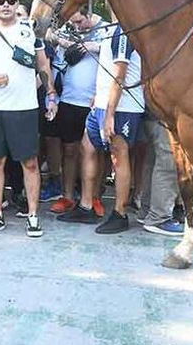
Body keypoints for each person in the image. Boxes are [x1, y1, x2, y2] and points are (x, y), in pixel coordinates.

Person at [0, 0, 57, 237]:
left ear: (17, 3)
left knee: (29, 162)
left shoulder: (31, 32)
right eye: (1, 0)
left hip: (24, 108)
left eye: (11, 0)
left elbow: (43, 66)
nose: (6, 5)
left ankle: (32, 215)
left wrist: (50, 94)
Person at [59, 21, 144, 234]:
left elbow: (119, 75)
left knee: (118, 156)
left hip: (122, 107)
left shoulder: (124, 31)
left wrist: (110, 114)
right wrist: (98, 98)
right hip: (101, 104)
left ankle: (120, 213)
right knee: (86, 146)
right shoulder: (111, 29)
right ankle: (86, 205)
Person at [48, 10, 105, 214]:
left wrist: (95, 46)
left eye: (80, 21)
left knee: (95, 152)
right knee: (69, 150)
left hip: (95, 102)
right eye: (73, 23)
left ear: (89, 11)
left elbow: (116, 53)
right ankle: (67, 196)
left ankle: (94, 197)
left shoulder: (106, 30)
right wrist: (60, 40)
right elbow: (48, 36)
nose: (77, 26)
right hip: (69, 99)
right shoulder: (67, 29)